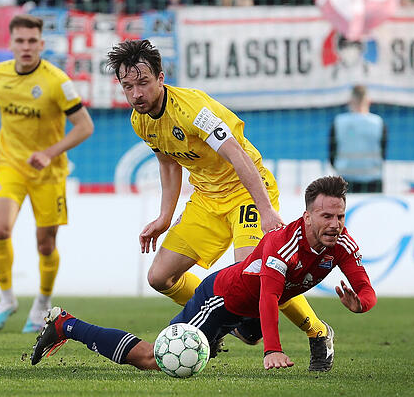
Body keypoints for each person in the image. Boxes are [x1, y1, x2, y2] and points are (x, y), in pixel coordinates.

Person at [105, 39, 335, 371]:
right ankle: (223, 312)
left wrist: (266, 207)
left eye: (143, 83)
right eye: (128, 86)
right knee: (160, 277)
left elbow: (238, 156)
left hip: (246, 193)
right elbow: (169, 164)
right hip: (208, 199)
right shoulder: (140, 121)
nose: (136, 93)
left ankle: (318, 332)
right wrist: (164, 217)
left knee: (258, 275)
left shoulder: (194, 110)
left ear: (160, 78)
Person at [30, 175, 377, 371]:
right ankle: (65, 324)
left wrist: (362, 303)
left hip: (247, 312)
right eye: (326, 217)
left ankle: (310, 335)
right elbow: (270, 297)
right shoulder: (282, 245)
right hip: (220, 300)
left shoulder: (342, 243)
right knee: (154, 359)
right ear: (307, 218)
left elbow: (365, 287)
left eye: (340, 216)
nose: (335, 224)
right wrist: (273, 349)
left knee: (251, 333)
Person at [0, 14, 94, 333]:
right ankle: (6, 299)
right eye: (20, 41)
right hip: (10, 165)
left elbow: (85, 127)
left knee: (45, 244)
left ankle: (42, 303)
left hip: (49, 173)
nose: (26, 47)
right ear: (11, 44)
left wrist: (50, 152)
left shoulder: (56, 82)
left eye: (32, 42)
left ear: (41, 44)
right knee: (0, 229)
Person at [329, 85, 387, 194]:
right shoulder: (378, 122)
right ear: (369, 101)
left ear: (350, 101)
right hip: (373, 180)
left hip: (345, 180)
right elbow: (383, 152)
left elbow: (332, 151)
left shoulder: (338, 122)